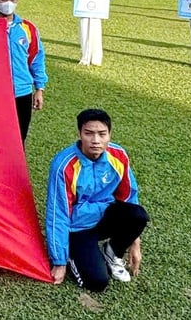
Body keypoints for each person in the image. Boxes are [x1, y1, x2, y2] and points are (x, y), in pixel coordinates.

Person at [46, 109, 149, 292]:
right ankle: (72, 254)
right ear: (79, 134)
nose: (96, 140)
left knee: (138, 215)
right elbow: (57, 214)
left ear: (109, 135)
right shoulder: (64, 166)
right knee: (97, 282)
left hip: (105, 218)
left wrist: (135, 242)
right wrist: (59, 261)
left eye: (102, 134)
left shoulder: (118, 156)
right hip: (78, 228)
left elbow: (129, 196)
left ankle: (112, 252)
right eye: (89, 133)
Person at [0, 0, 48, 141]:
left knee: (18, 139)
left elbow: (36, 58)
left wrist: (39, 88)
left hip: (22, 92)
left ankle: (16, 167)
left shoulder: (28, 28)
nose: (8, 3)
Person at [76, 0, 104, 66]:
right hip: (85, 16)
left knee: (96, 36)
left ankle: (95, 58)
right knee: (85, 35)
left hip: (95, 17)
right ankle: (85, 57)